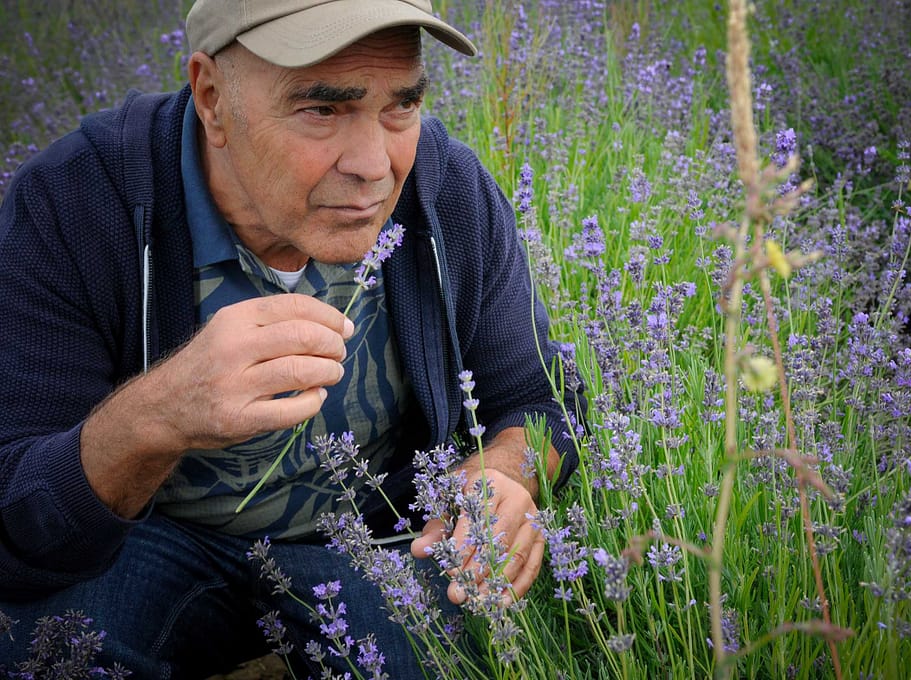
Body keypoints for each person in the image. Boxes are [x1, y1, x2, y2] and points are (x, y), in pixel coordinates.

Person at [0, 0, 586, 676]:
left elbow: (544, 399)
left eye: (400, 106)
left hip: (375, 538)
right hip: (151, 544)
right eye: (322, 110)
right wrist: (155, 415)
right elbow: (19, 517)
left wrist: (507, 472)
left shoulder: (446, 187)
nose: (374, 164)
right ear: (213, 97)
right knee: (54, 653)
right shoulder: (77, 198)